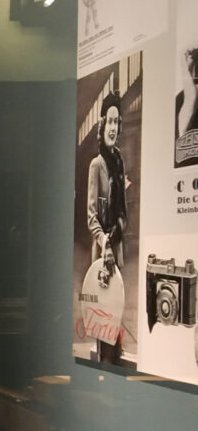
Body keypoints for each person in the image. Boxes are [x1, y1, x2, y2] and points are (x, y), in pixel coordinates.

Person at [86, 91, 127, 362]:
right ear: (102, 125)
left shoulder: (119, 161)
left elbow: (123, 209)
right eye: (108, 122)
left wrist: (117, 234)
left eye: (116, 122)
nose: (112, 128)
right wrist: (105, 243)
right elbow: (91, 216)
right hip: (103, 254)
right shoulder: (96, 165)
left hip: (117, 248)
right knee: (103, 320)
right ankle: (103, 369)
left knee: (117, 314)